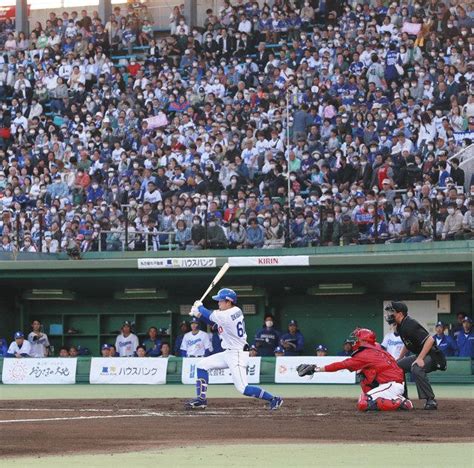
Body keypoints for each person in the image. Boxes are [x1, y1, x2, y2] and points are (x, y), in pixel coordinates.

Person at [186, 288, 282, 410]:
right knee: (201, 365)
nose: (218, 303)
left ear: (229, 302)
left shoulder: (228, 314)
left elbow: (210, 315)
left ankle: (274, 399)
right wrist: (198, 314)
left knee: (243, 388)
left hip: (237, 354)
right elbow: (214, 324)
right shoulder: (233, 311)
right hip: (228, 353)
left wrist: (199, 308)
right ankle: (201, 400)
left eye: (220, 301)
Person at [297, 328, 413, 412]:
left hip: (391, 384)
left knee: (363, 403)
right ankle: (398, 399)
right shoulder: (376, 347)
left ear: (364, 341)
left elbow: (341, 365)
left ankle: (399, 403)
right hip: (393, 383)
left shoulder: (365, 354)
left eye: (357, 338)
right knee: (362, 374)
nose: (355, 340)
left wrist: (316, 369)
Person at [384, 301, 446, 410]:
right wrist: (400, 357)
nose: (390, 314)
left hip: (433, 356)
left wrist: (420, 358)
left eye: (393, 311)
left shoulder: (410, 324)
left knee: (416, 368)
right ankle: (403, 398)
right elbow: (407, 343)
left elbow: (430, 340)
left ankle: (430, 400)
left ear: (400, 314)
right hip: (421, 354)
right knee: (397, 366)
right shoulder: (400, 326)